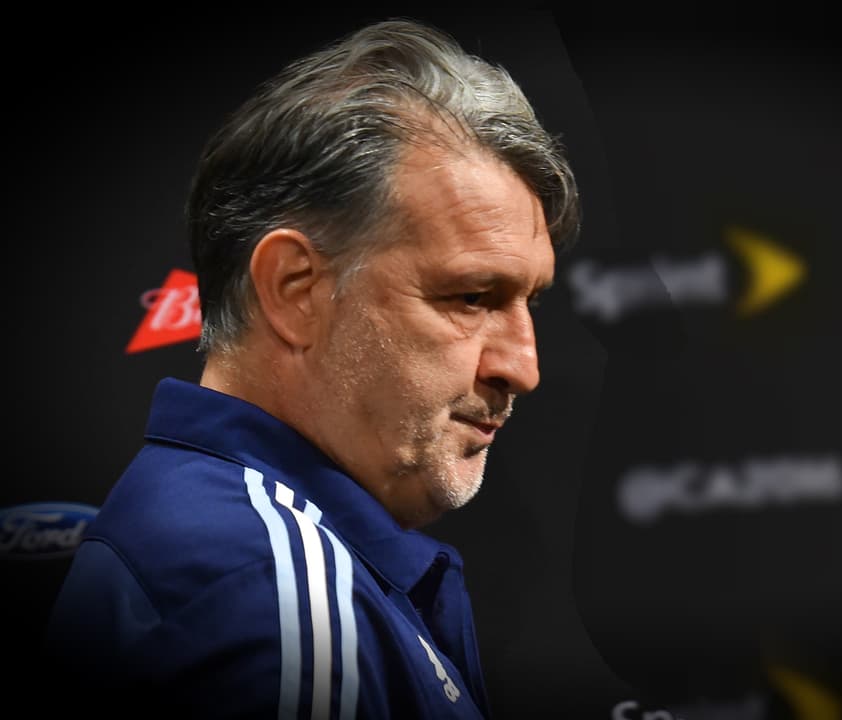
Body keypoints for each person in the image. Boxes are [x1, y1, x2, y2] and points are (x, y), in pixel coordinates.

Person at [42, 17, 578, 719]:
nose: (524, 367)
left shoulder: (245, 549)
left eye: (529, 301)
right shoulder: (275, 595)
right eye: (472, 297)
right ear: (295, 290)